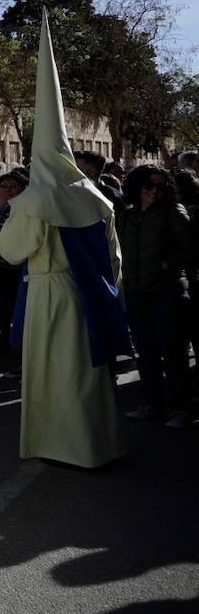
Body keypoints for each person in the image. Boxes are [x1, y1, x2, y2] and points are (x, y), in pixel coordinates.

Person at [0, 13, 129, 469]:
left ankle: (63, 446)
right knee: (87, 374)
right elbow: (114, 258)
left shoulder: (36, 198)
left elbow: (11, 251)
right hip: (87, 289)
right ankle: (99, 443)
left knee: (55, 374)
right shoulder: (93, 194)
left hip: (50, 292)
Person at [116, 166, 195, 428]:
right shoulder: (126, 216)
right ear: (136, 186)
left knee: (173, 354)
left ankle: (180, 409)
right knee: (146, 354)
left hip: (167, 293)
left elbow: (192, 250)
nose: (154, 191)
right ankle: (152, 404)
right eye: (148, 185)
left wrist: (166, 265)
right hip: (137, 294)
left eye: (160, 187)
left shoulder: (174, 211)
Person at [0, 169, 28, 358]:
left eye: (13, 186)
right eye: (4, 186)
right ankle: (5, 339)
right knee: (2, 308)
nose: (9, 190)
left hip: (18, 267)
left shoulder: (22, 209)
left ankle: (17, 344)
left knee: (18, 308)